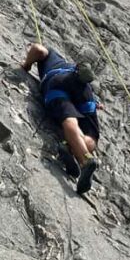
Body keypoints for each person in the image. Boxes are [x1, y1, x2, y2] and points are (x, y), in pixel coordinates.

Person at [21, 43, 100, 194]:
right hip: (84, 88)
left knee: (69, 120)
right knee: (91, 136)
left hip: (58, 81)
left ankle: (85, 161)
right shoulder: (64, 62)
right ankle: (69, 148)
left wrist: (26, 65)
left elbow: (38, 49)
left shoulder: (50, 53)